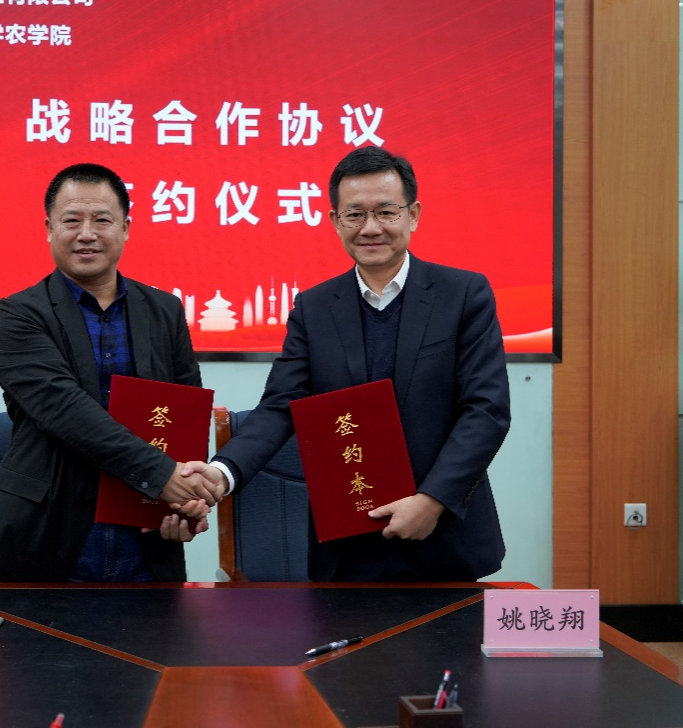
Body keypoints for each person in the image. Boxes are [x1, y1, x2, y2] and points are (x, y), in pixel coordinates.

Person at [190, 146, 512, 581]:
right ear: (335, 221)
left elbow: (486, 411)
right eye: (355, 215)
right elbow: (280, 406)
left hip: (443, 535)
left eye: (386, 212)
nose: (370, 228)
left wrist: (432, 501)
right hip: (347, 546)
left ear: (413, 215)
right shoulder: (315, 307)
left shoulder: (464, 294)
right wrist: (221, 472)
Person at [0, 163, 219, 583]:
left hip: (145, 534)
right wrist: (161, 477)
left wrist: (186, 502)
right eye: (71, 221)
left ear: (125, 228)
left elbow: (184, 412)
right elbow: (63, 409)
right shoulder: (18, 313)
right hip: (44, 531)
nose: (86, 234)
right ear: (49, 229)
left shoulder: (165, 311)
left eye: (102, 220)